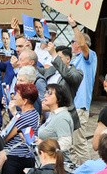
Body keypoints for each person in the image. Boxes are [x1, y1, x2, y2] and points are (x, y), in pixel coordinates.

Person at [1, 83, 40, 174]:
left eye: (17, 95)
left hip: (14, 158)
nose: (14, 96)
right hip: (28, 158)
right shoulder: (34, 113)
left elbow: (6, 137)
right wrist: (13, 112)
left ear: (24, 101)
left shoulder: (23, 117)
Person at [69, 15, 98, 164]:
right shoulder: (74, 60)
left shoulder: (90, 57)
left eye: (73, 41)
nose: (72, 44)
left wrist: (74, 26)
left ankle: (89, 173)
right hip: (72, 105)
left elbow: (84, 46)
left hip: (80, 106)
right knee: (72, 144)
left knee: (79, 142)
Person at [39, 43, 82, 132]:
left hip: (62, 117)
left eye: (59, 57)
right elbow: (37, 70)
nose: (55, 60)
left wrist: (54, 55)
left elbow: (68, 75)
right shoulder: (52, 70)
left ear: (68, 59)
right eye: (55, 58)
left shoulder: (77, 73)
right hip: (46, 116)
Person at [38, 84, 75, 166]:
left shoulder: (61, 117)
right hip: (48, 162)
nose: (45, 95)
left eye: (50, 93)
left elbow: (66, 143)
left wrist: (44, 145)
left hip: (57, 165)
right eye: (46, 92)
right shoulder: (53, 114)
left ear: (59, 98)